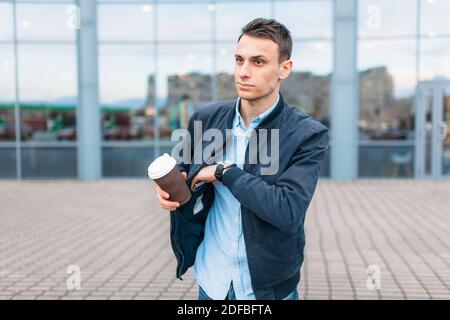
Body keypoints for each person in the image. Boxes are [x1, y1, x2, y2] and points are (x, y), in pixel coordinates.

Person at [154, 18, 329, 300]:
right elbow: (184, 172)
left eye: (258, 62)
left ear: (285, 68)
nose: (243, 72)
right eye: (239, 60)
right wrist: (167, 191)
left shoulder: (306, 134)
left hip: (268, 288)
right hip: (213, 281)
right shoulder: (204, 119)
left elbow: (287, 211)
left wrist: (225, 171)